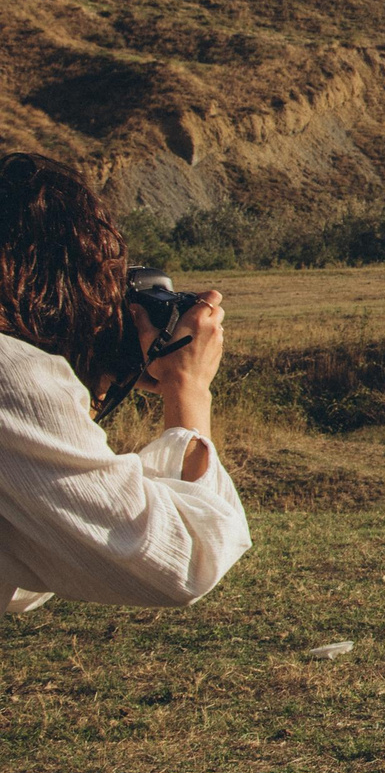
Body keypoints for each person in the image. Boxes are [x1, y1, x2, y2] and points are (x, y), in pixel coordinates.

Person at [0, 153, 251, 613]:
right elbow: (182, 562)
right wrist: (188, 387)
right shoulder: (10, 374)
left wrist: (89, 380)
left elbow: (29, 551)